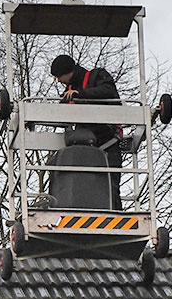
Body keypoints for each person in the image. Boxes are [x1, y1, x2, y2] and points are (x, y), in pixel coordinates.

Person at [50, 54, 123, 209]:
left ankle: (116, 215)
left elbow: (108, 91)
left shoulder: (97, 76)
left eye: (59, 76)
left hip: (108, 140)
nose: (58, 80)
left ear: (68, 71)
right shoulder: (69, 91)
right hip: (85, 146)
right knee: (81, 183)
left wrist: (81, 95)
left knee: (111, 185)